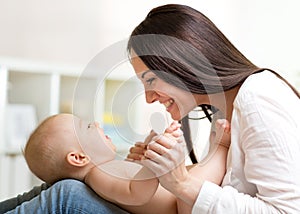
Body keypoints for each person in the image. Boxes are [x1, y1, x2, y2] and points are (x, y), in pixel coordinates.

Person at [1, 3, 299, 214]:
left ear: (182, 64)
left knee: (68, 194)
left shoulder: (258, 100)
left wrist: (178, 179)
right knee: (56, 192)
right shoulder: (224, 112)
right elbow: (206, 192)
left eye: (151, 80)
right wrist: (166, 170)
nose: (147, 99)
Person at [23, 113, 179, 206]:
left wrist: (150, 145)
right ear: (79, 158)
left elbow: (132, 178)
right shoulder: (97, 176)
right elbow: (136, 194)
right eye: (88, 127)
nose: (97, 123)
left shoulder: (106, 170)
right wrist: (154, 160)